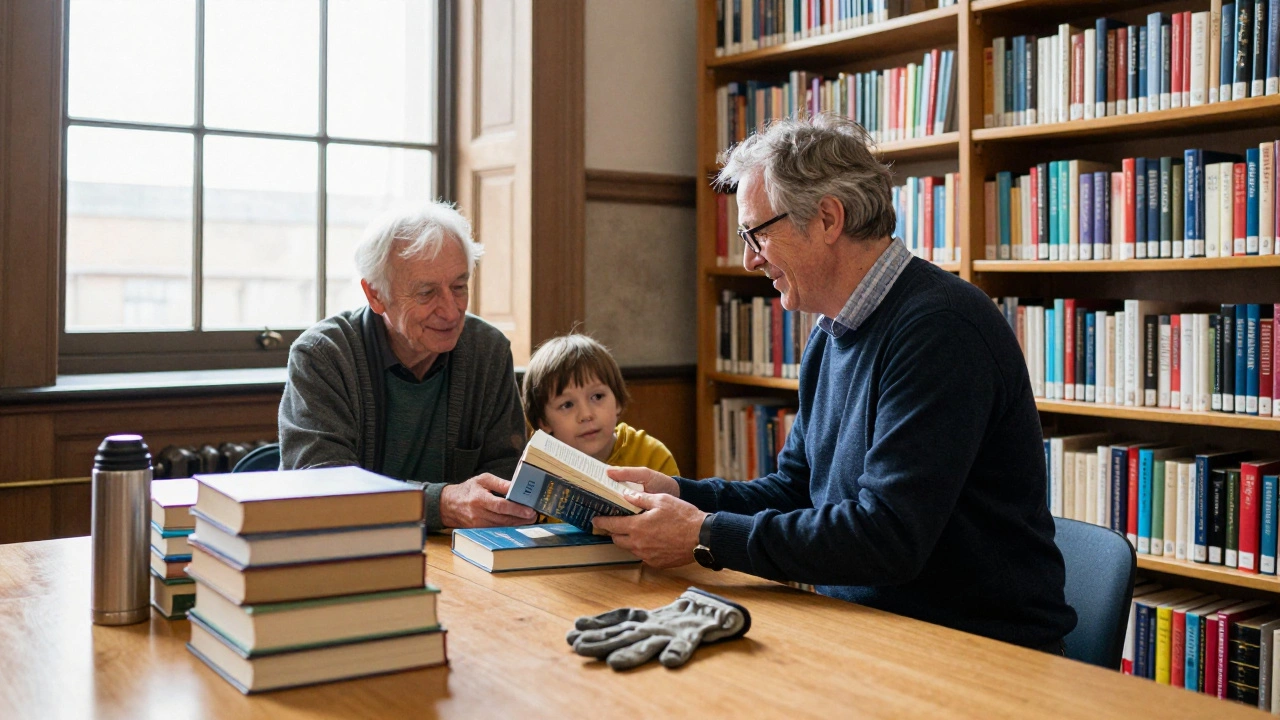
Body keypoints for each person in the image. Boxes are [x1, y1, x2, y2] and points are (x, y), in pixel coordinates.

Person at [595, 115, 1077, 653]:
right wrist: (680, 494)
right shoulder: (832, 330)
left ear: (827, 218)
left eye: (758, 233)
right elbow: (797, 491)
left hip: (973, 652)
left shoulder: (942, 329)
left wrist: (705, 534)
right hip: (869, 635)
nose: (751, 258)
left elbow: (887, 537)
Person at [278, 202, 537, 531]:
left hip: (459, 558)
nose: (451, 311)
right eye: (427, 293)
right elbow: (324, 488)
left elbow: (505, 477)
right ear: (375, 295)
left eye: (459, 287)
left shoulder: (487, 350)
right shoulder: (323, 356)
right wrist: (440, 505)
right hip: (345, 552)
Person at [522, 333, 679, 474]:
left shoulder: (651, 457)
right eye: (567, 405)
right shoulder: (536, 466)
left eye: (597, 396)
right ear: (543, 421)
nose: (586, 415)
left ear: (617, 400)